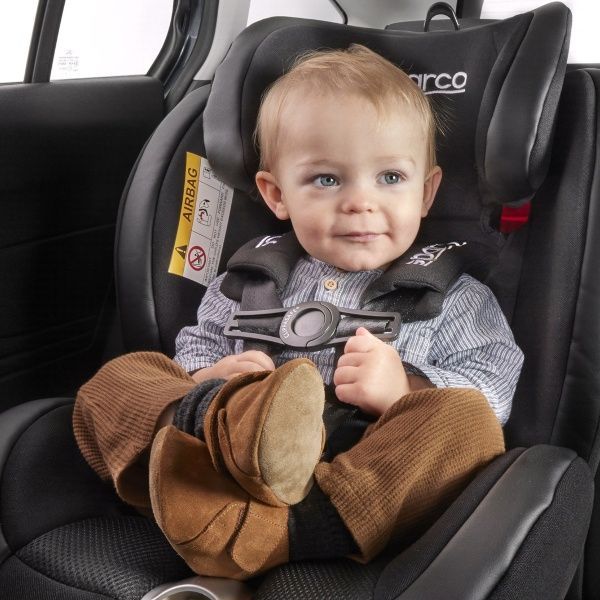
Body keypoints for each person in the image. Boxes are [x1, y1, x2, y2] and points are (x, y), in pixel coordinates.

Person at [74, 45, 523, 580]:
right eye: (327, 180)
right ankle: (204, 485)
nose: (360, 202)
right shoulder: (251, 280)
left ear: (427, 193)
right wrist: (211, 379)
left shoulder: (455, 297)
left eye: (390, 178)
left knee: (467, 424)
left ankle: (279, 532)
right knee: (118, 381)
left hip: (360, 471)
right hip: (231, 452)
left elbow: (495, 385)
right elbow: (195, 345)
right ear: (276, 194)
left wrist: (407, 389)